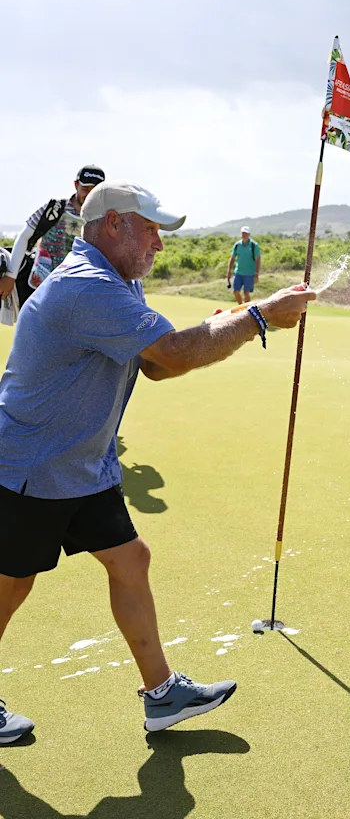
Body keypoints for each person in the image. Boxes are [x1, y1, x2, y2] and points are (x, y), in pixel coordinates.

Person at [0, 180, 315, 744]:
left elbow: (158, 366)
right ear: (114, 225)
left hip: (82, 465)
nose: (160, 246)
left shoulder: (122, 281)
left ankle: (162, 694)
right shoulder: (88, 286)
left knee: (130, 559)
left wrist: (231, 327)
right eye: (151, 230)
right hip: (33, 466)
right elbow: (171, 352)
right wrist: (258, 317)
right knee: (10, 585)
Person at [0, 164, 106, 311]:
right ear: (76, 185)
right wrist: (11, 276)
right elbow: (24, 236)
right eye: (85, 189)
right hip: (39, 289)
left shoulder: (105, 219)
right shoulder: (54, 209)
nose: (89, 195)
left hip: (80, 293)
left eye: (95, 191)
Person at [226, 225, 261, 304]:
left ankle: (247, 310)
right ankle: (241, 307)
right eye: (243, 233)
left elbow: (258, 260)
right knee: (235, 291)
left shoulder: (254, 245)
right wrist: (229, 271)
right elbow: (232, 258)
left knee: (246, 292)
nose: (244, 235)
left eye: (246, 233)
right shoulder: (237, 245)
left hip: (249, 273)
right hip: (238, 272)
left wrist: (256, 274)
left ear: (249, 234)